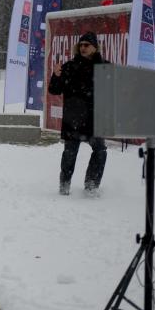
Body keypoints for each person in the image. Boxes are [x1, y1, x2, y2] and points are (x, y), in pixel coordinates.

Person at [48, 32, 109, 195]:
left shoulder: (105, 67)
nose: (83, 48)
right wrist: (56, 75)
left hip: (94, 119)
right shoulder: (69, 66)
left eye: (86, 45)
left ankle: (91, 185)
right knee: (69, 154)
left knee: (100, 151)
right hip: (72, 118)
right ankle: (64, 186)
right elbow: (54, 90)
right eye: (81, 45)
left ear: (95, 47)